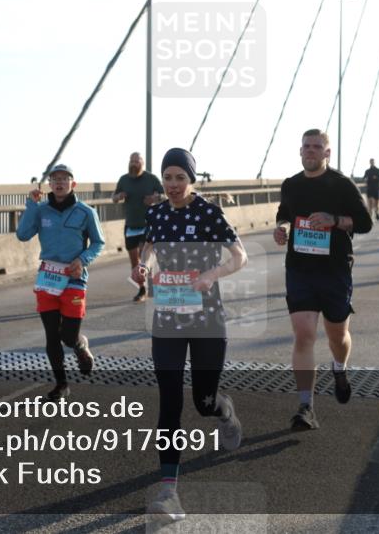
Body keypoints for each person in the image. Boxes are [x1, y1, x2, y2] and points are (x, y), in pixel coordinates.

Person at [132, 147, 247, 523]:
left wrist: (212, 275)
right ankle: (169, 491)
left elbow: (239, 256)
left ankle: (224, 411)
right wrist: (143, 268)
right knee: (169, 400)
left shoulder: (209, 213)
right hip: (168, 317)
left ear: (191, 180)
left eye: (180, 177)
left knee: (203, 400)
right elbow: (150, 249)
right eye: (168, 177)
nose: (173, 184)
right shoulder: (157, 213)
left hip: (207, 319)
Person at [274, 129, 373, 431]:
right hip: (300, 269)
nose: (311, 151)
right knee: (304, 335)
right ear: (300, 150)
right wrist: (282, 229)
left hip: (334, 270)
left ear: (327, 153)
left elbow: (365, 223)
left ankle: (339, 368)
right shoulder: (291, 185)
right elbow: (284, 214)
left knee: (337, 336)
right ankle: (306, 406)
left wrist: (335, 220)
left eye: (317, 147)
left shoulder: (341, 185)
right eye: (306, 146)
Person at [17, 164, 104, 401]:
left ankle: (79, 344)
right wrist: (31, 205)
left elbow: (98, 243)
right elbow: (22, 235)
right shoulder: (41, 210)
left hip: (74, 279)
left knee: (68, 335)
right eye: (55, 179)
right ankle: (61, 385)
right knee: (52, 336)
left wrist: (82, 260)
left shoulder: (86, 212)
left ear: (73, 184)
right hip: (48, 277)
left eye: (64, 179)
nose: (59, 182)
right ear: (50, 184)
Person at [113, 152, 164, 302]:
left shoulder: (151, 179)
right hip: (130, 225)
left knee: (144, 255)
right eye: (132, 161)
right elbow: (113, 198)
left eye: (137, 161)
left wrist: (155, 198)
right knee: (134, 261)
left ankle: (149, 286)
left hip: (147, 224)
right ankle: (142, 288)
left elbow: (165, 196)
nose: (134, 164)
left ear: (142, 162)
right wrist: (119, 196)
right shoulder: (124, 180)